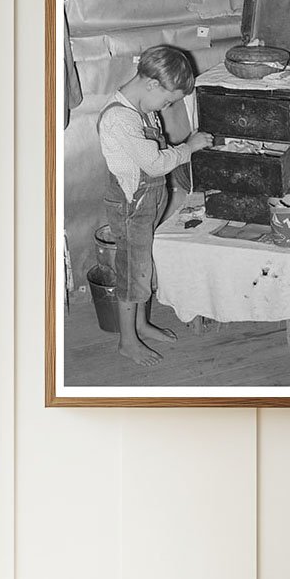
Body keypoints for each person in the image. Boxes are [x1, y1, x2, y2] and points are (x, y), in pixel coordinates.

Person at [96, 46, 213, 365]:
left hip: (148, 204)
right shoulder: (120, 118)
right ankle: (127, 341)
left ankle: (141, 324)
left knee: (142, 265)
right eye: (168, 100)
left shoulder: (140, 108)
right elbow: (154, 163)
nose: (167, 106)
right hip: (132, 208)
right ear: (152, 84)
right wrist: (189, 148)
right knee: (133, 272)